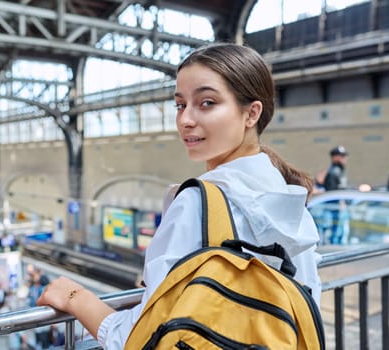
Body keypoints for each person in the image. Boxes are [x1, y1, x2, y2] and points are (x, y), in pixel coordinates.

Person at [36, 43, 322, 349]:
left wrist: (74, 297)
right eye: (180, 105)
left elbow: (133, 339)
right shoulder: (291, 200)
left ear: (252, 113)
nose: (185, 119)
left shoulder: (198, 203)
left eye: (207, 103)